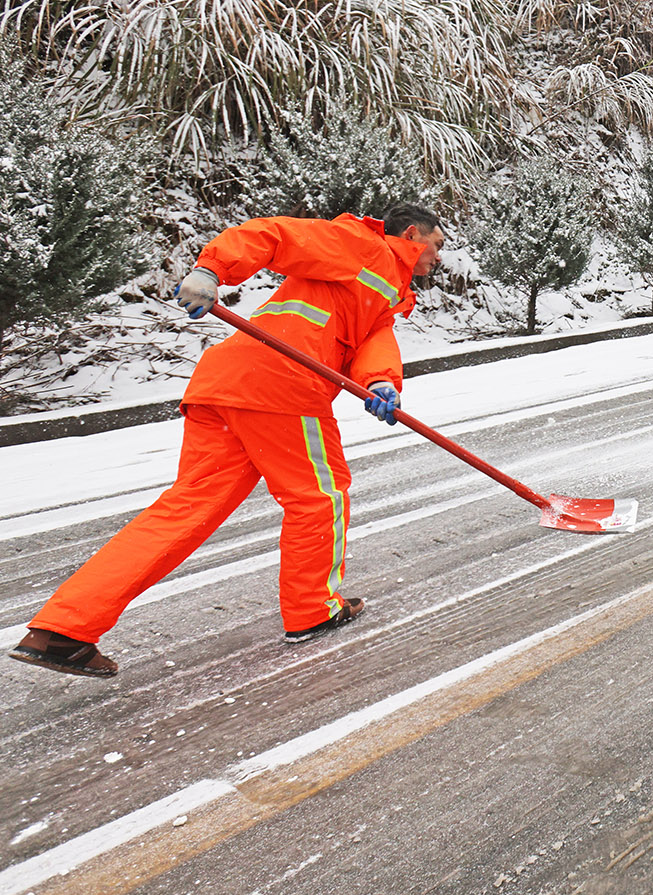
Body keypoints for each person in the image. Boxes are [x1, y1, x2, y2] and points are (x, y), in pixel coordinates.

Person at [10, 205, 446, 678]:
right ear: (411, 234)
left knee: (185, 509)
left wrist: (382, 381)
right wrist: (211, 269)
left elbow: (372, 339)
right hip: (283, 385)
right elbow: (275, 235)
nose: (439, 257)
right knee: (321, 497)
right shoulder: (363, 245)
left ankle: (62, 630)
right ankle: (313, 609)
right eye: (438, 245)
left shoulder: (389, 292)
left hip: (228, 384)